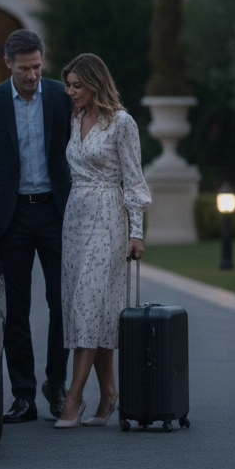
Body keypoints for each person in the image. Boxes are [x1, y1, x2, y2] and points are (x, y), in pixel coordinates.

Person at [0, 29, 73, 422]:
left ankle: (56, 386)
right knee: (15, 308)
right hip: (11, 219)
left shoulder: (61, 96)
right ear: (8, 63)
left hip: (56, 212)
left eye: (37, 67)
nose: (32, 76)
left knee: (62, 303)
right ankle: (24, 395)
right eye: (24, 68)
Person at [55, 53, 151, 428]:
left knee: (89, 304)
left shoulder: (122, 123)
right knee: (91, 310)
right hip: (75, 219)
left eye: (78, 85)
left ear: (96, 83)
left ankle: (73, 399)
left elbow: (134, 180)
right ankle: (109, 392)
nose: (71, 92)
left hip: (108, 215)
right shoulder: (75, 117)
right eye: (69, 86)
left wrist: (136, 231)